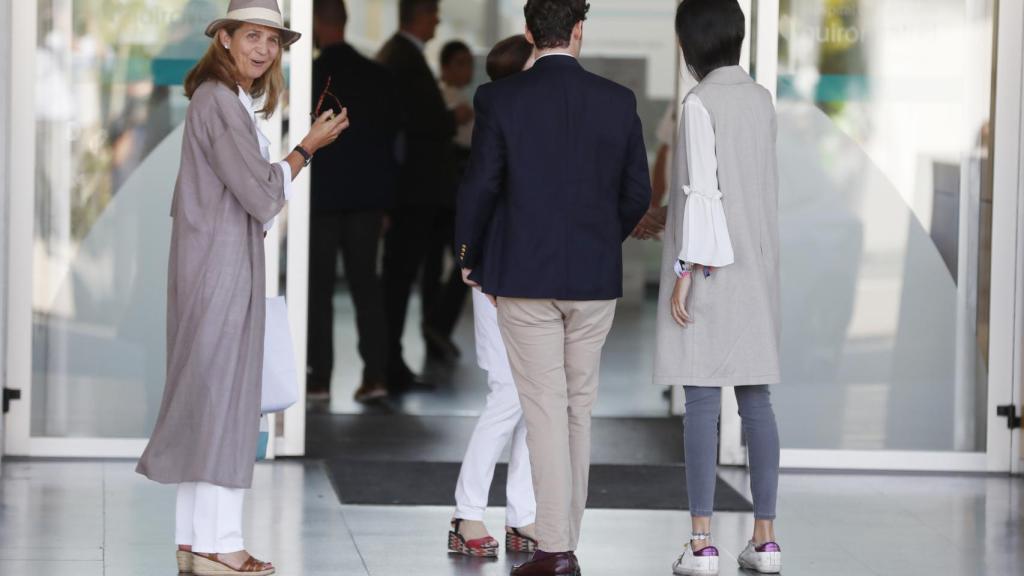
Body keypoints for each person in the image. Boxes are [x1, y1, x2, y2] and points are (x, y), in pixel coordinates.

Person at [135, 1, 348, 575]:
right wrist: (306, 149)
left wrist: (294, 154)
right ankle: (219, 544)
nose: (263, 49)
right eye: (252, 36)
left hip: (212, 266)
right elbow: (260, 196)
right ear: (224, 39)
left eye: (273, 40)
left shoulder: (220, 100)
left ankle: (195, 540)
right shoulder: (221, 103)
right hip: (221, 271)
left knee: (210, 402)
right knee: (226, 405)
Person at [455, 1, 652, 573]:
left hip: (523, 279)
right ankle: (563, 539)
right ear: (579, 31)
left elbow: (481, 186)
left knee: (541, 409)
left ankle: (556, 549)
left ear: (528, 32)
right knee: (577, 411)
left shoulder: (499, 99)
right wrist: (597, 240)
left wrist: (472, 258)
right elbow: (636, 193)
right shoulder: (618, 102)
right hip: (593, 282)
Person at [653, 1, 782, 574]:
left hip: (709, 268)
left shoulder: (698, 103)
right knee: (757, 401)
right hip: (757, 267)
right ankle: (766, 539)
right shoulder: (760, 99)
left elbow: (703, 193)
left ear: (688, 46)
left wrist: (684, 274)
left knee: (702, 398)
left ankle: (702, 542)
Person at [447, 34, 538, 560]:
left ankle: (521, 516)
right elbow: (476, 196)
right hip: (493, 277)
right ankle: (467, 513)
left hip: (528, 279)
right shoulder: (498, 126)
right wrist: (468, 260)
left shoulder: (528, 128)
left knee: (531, 402)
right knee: (509, 393)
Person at [377, 0, 472, 393]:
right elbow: (415, 123)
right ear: (418, 15)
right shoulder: (402, 59)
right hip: (410, 192)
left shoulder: (399, 56)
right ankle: (388, 366)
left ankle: (391, 362)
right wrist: (451, 119)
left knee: (410, 276)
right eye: (433, 14)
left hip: (415, 192)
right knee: (399, 280)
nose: (437, 21)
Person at [307, 0, 398, 404]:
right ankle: (375, 376)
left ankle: (319, 379)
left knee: (318, 291)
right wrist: (387, 203)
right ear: (343, 20)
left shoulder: (310, 75)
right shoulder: (379, 77)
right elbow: (391, 142)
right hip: (367, 200)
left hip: (321, 197)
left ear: (315, 23)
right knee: (367, 288)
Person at [421, 39, 476, 364]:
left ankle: (436, 326)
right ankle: (435, 324)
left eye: (468, 63)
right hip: (449, 188)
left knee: (450, 263)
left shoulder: (464, 101)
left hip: (454, 186)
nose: (466, 70)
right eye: (459, 63)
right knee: (459, 262)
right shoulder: (447, 102)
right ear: (444, 67)